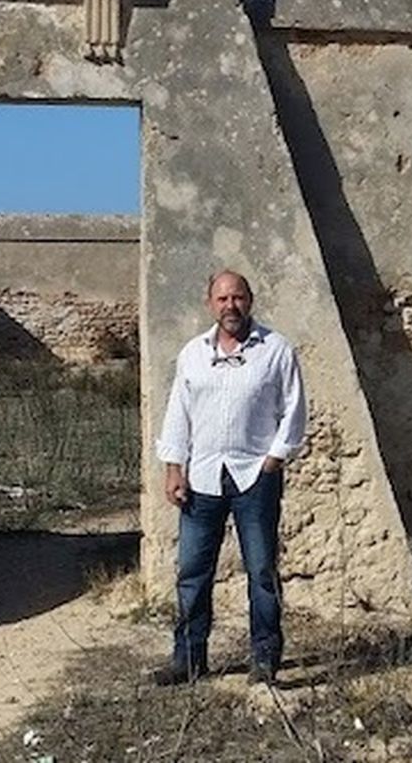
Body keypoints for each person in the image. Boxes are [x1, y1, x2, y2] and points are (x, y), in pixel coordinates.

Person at [152, 270, 307, 685]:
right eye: (222, 299)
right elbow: (178, 414)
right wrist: (173, 467)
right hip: (201, 478)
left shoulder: (276, 350)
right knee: (191, 571)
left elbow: (294, 409)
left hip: (254, 476)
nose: (230, 306)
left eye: (237, 298)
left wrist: (274, 460)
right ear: (210, 304)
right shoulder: (193, 354)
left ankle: (264, 659)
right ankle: (188, 659)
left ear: (250, 301)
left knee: (261, 571)